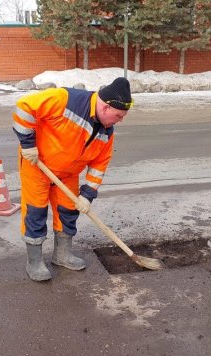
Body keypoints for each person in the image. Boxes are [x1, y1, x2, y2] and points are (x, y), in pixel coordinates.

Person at [12, 77, 133, 281]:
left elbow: (98, 166)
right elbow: (24, 108)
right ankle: (34, 262)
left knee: (68, 212)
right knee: (35, 212)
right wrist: (27, 144)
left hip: (68, 173)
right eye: (118, 115)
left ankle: (62, 255)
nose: (120, 120)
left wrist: (87, 195)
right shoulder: (65, 99)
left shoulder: (106, 132)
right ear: (105, 108)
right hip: (37, 165)